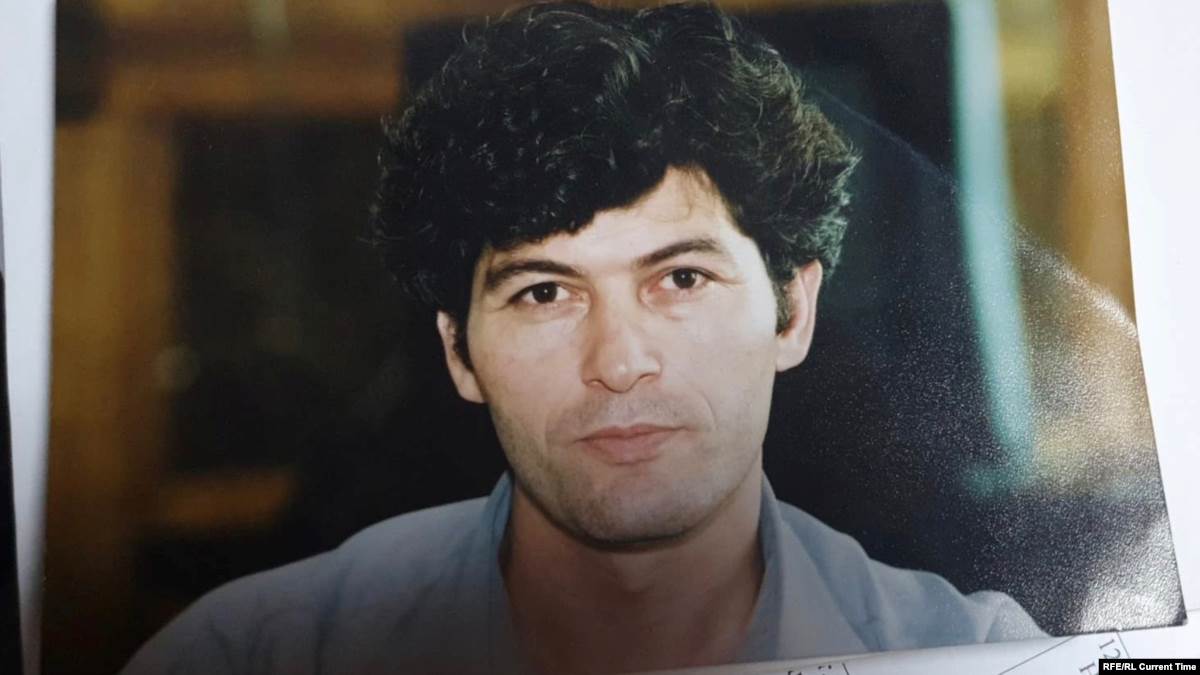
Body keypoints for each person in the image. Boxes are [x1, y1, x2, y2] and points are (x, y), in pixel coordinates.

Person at [122, 2, 1043, 674]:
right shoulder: (243, 656)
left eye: (680, 279)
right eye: (544, 292)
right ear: (458, 352)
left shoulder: (981, 657)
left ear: (791, 313)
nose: (619, 362)